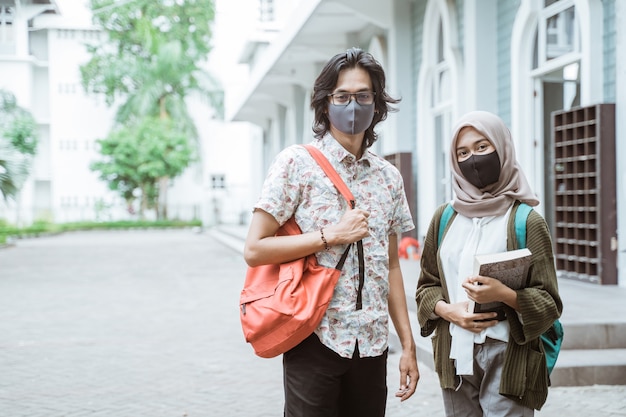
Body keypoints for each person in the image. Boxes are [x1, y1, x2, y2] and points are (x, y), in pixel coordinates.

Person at [244, 47, 419, 417]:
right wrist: (330, 235)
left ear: (377, 105)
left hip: (372, 344)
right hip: (314, 335)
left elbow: (391, 267)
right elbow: (255, 249)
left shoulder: (388, 178)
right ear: (325, 104)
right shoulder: (296, 164)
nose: (352, 105)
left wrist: (408, 344)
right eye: (342, 96)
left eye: (363, 95)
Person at [415, 110, 562, 416]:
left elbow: (549, 303)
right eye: (463, 152)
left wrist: (503, 294)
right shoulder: (444, 218)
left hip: (509, 356)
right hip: (454, 354)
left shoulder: (526, 221)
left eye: (483, 147)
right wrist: (447, 311)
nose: (473, 159)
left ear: (502, 147)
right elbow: (427, 286)